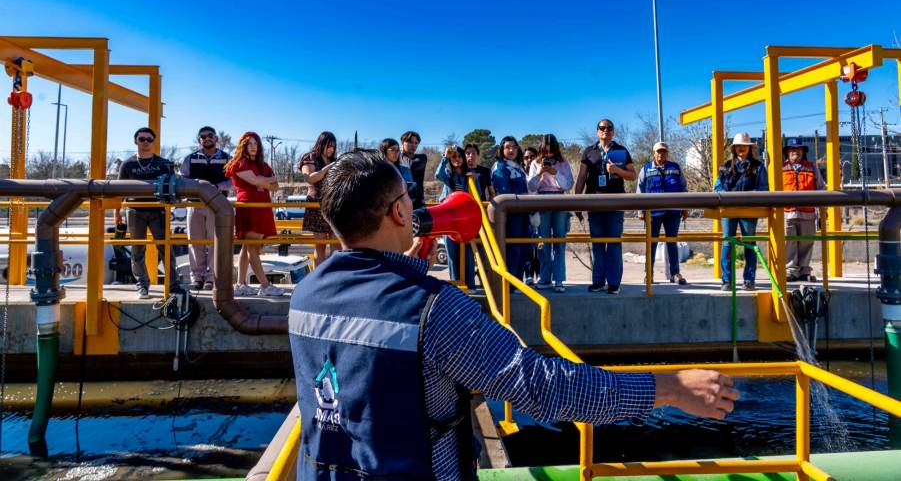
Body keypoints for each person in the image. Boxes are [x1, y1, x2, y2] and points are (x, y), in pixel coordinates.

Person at [288, 149, 739, 480]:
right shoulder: (434, 309)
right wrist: (668, 387)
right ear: (401, 211)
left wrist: (401, 266)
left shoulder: (304, 295)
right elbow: (544, 388)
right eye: (408, 197)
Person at [114, 127, 179, 299]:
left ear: (153, 142)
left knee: (165, 248)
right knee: (137, 250)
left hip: (159, 211)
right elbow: (119, 190)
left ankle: (173, 285)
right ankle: (142, 286)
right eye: (142, 139)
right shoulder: (127, 164)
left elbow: (173, 188)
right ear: (135, 141)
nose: (145, 142)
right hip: (135, 211)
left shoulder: (164, 164)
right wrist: (117, 212)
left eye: (149, 139)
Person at [574, 119, 636, 294]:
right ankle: (598, 281)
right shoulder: (589, 151)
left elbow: (632, 175)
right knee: (597, 244)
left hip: (615, 204)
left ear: (613, 132)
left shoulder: (621, 150)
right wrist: (576, 202)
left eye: (609, 128)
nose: (606, 130)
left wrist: (617, 170)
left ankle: (614, 283)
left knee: (614, 244)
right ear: (597, 131)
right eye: (602, 128)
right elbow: (581, 178)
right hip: (594, 203)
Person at [225, 132, 285, 297]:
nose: (253, 146)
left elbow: (276, 185)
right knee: (252, 248)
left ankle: (240, 284)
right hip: (248, 208)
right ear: (243, 146)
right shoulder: (239, 163)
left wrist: (263, 180)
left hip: (262, 208)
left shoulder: (262, 165)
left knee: (247, 247)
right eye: (249, 143)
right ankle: (265, 286)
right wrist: (265, 180)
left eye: (255, 143)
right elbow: (256, 181)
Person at [714, 132, 769, 291]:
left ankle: (749, 280)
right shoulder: (725, 166)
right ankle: (727, 280)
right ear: (734, 148)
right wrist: (728, 198)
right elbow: (717, 187)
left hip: (749, 210)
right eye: (738, 146)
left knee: (749, 242)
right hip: (729, 210)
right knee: (727, 243)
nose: (741, 148)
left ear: (750, 148)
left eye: (744, 146)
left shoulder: (758, 167)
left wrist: (748, 198)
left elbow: (763, 188)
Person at [180, 126, 232, 290]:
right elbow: (182, 179)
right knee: (195, 242)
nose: (207, 138)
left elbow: (233, 181)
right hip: (194, 205)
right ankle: (197, 277)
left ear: (216, 138)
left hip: (217, 206)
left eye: (210, 135)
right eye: (203, 136)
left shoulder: (227, 158)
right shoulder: (190, 158)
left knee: (215, 242)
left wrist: (217, 187)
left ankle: (211, 278)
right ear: (199, 140)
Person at [637, 141, 689, 285]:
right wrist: (640, 211)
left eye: (664, 151)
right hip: (652, 213)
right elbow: (640, 190)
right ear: (653, 153)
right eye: (658, 151)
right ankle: (649, 274)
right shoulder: (646, 169)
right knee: (651, 243)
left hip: (673, 212)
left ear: (667, 153)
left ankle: (675, 274)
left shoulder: (676, 168)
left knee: (672, 241)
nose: (661, 154)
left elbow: (684, 188)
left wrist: (685, 208)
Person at [526, 134, 573, 293]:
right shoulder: (535, 163)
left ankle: (559, 280)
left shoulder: (563, 162)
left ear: (556, 150)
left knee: (559, 241)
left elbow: (567, 185)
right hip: (542, 200)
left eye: (551, 152)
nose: (548, 155)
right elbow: (531, 187)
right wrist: (539, 173)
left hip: (560, 199)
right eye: (545, 152)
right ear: (541, 150)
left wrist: (555, 172)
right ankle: (545, 278)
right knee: (543, 241)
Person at [436, 145, 480, 288]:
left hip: (465, 220)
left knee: (468, 254)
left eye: (460, 156)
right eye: (454, 157)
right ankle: (455, 286)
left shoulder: (470, 176)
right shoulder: (448, 175)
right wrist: (445, 157)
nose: (457, 159)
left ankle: (470, 285)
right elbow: (438, 174)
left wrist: (472, 180)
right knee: (452, 254)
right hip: (450, 219)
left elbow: (477, 195)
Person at [782, 138, 825, 282]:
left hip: (808, 213)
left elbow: (821, 188)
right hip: (787, 213)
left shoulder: (812, 167)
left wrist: (823, 211)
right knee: (789, 243)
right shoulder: (780, 168)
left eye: (799, 149)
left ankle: (804, 271)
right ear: (787, 152)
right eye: (792, 149)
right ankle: (790, 271)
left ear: (803, 152)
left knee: (807, 242)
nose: (796, 152)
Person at [491, 136, 531, 280]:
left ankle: (518, 281)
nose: (511, 150)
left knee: (524, 248)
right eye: (508, 147)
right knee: (513, 249)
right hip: (509, 215)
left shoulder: (518, 166)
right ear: (501, 149)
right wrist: (522, 195)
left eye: (514, 147)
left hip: (523, 213)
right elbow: (504, 191)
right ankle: (510, 283)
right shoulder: (500, 166)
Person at [300, 131, 338, 264]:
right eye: (329, 146)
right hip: (316, 205)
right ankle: (320, 276)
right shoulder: (309, 157)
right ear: (321, 144)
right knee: (320, 246)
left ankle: (334, 276)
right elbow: (310, 178)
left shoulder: (334, 160)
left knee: (337, 244)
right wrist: (329, 167)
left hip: (333, 204)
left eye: (333, 146)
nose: (331, 149)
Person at [521, 147, 541, 286]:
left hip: (539, 212)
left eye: (532, 156)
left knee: (540, 246)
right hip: (525, 213)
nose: (529, 159)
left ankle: (540, 274)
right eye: (526, 157)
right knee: (527, 245)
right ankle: (528, 275)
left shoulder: (541, 170)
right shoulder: (519, 172)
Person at [401, 131, 428, 209]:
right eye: (410, 142)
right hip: (401, 202)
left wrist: (401, 155)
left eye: (416, 143)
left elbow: (411, 165)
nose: (413, 145)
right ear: (402, 143)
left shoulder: (422, 158)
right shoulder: (397, 159)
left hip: (418, 203)